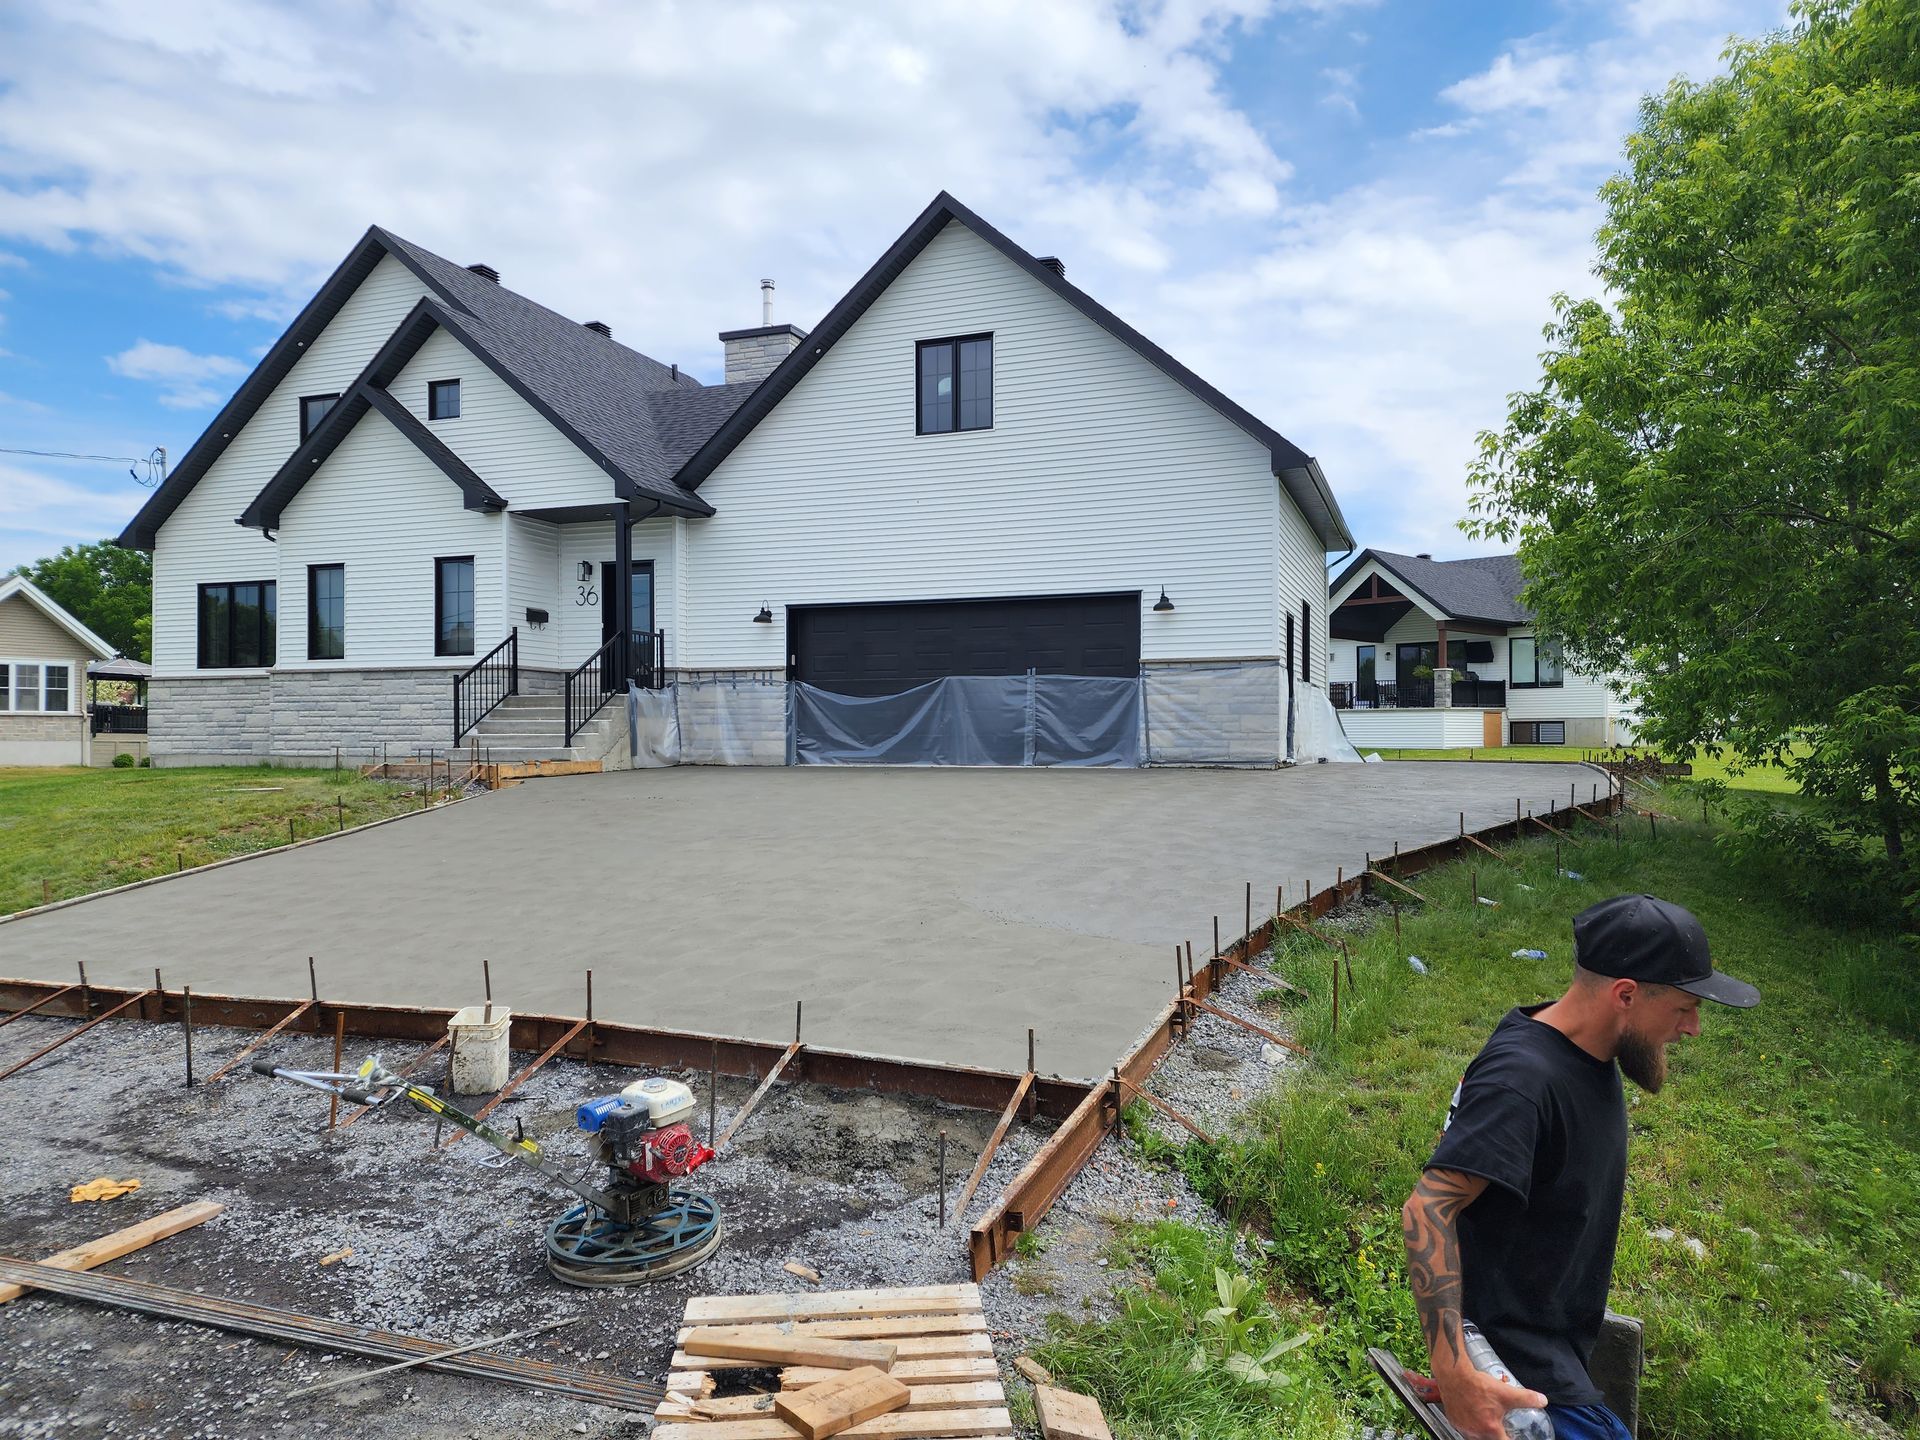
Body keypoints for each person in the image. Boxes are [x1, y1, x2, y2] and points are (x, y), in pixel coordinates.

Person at [1400, 894, 1759, 1440]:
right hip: (1523, 1375)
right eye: (1685, 1008)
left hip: (1557, 1354)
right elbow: (1427, 1210)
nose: (1692, 1029)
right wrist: (1457, 1376)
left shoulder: (1582, 1049)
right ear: (1626, 995)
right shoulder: (1522, 1081)